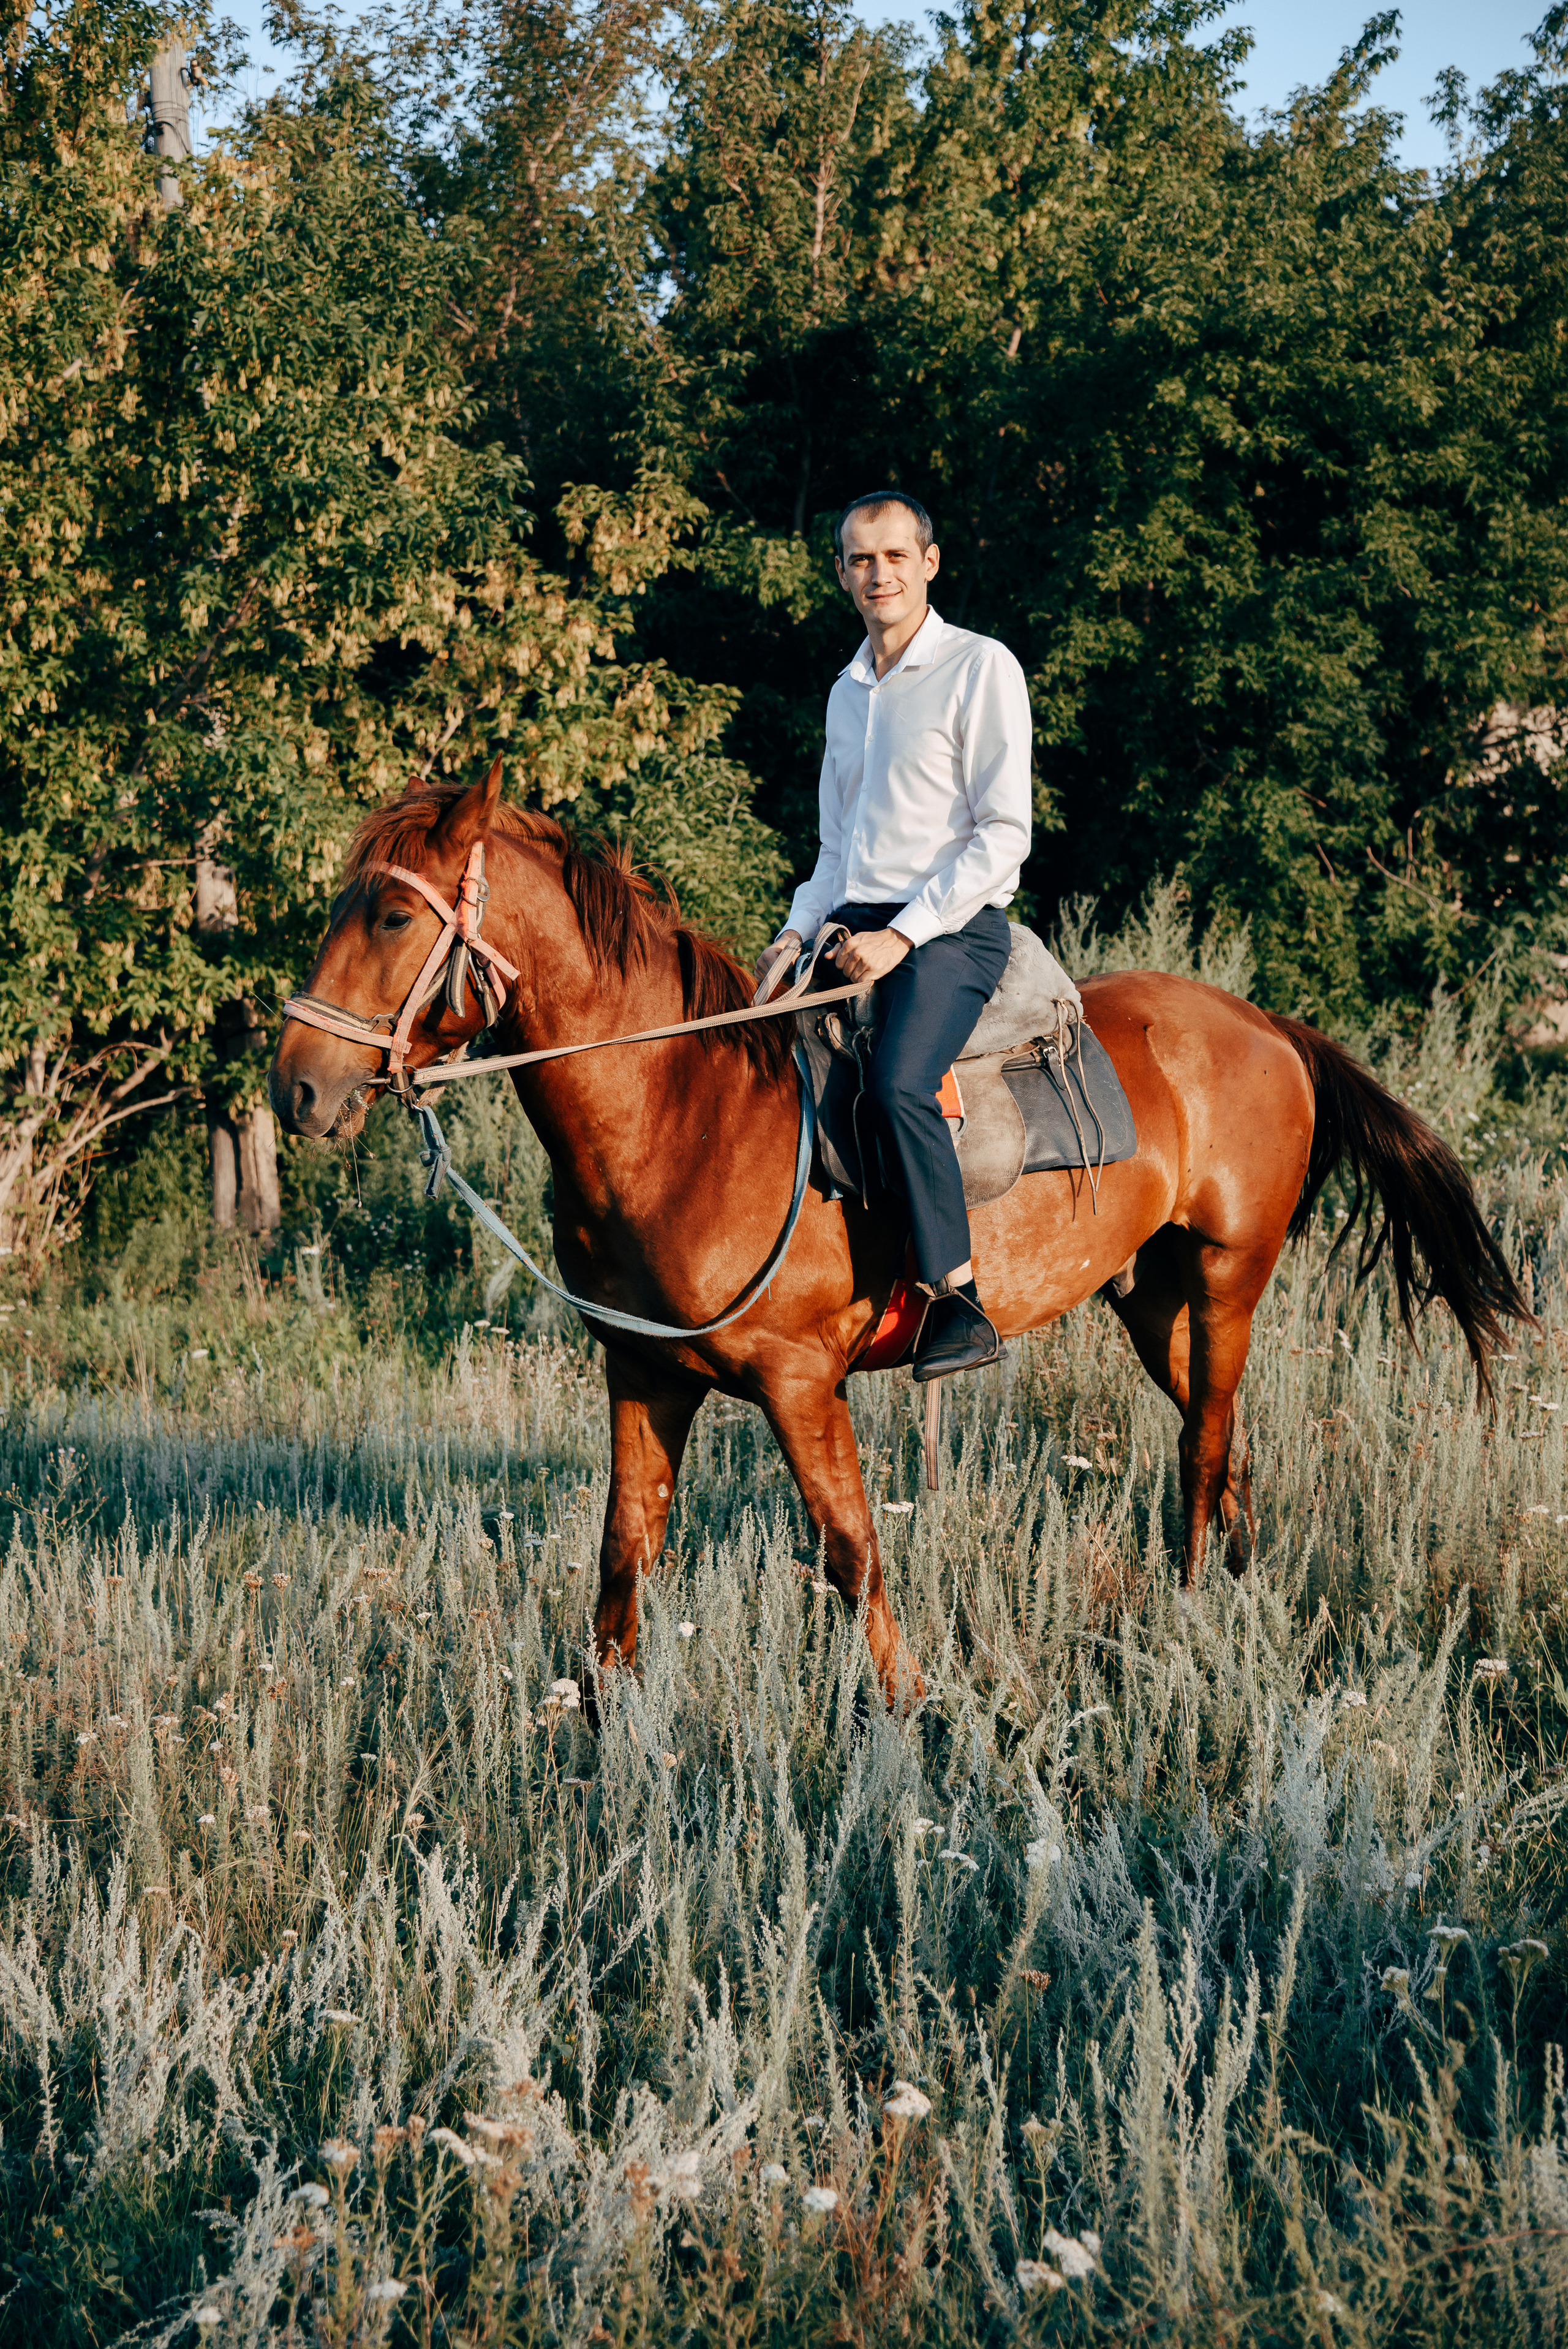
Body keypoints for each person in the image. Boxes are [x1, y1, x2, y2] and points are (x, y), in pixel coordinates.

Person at [755, 492, 1032, 1379]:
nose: (879, 573)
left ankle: (955, 1297)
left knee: (899, 1083)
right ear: (841, 573)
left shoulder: (980, 667)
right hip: (851, 921)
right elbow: (838, 847)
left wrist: (904, 937)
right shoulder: (847, 691)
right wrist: (796, 931)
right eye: (861, 559)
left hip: (953, 925)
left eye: (895, 556)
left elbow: (1003, 835)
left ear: (930, 562)